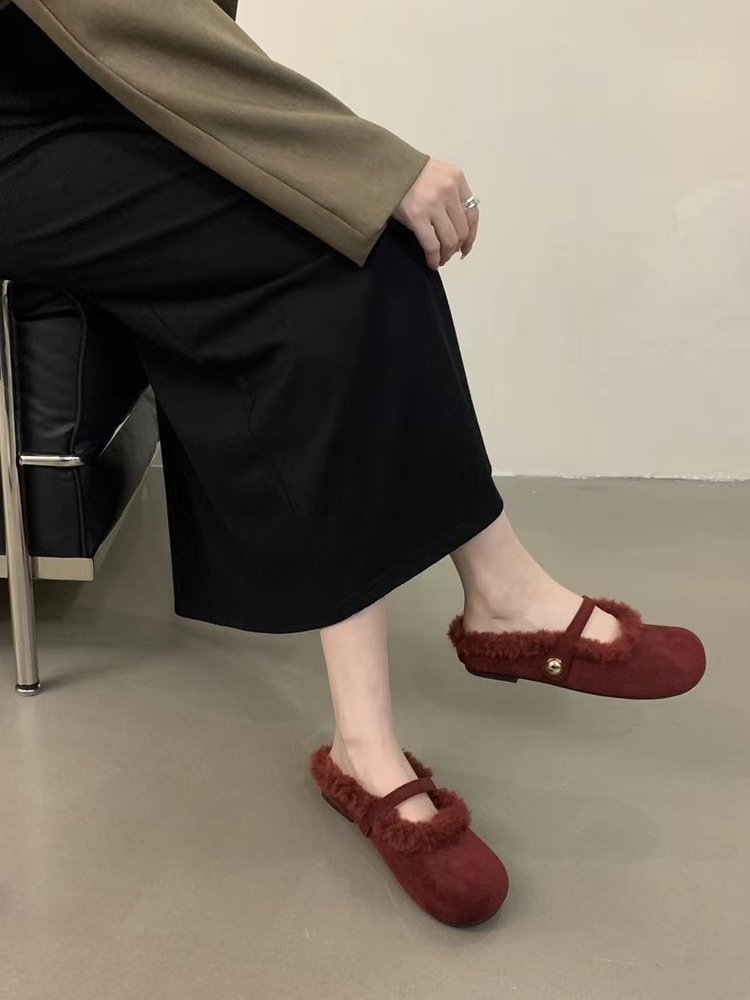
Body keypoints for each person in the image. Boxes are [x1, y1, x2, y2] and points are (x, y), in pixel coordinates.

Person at [0, 2, 705, 928]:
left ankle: (392, 709)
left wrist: (353, 170)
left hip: (95, 95)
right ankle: (463, 642)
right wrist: (374, 163)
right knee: (354, 222)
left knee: (355, 235)